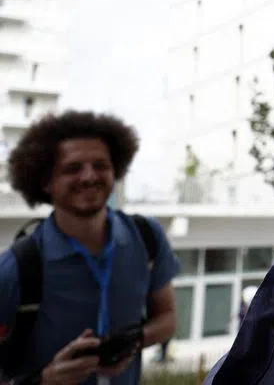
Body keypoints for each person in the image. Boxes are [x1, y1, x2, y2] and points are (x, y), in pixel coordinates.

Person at [0, 111, 181, 385]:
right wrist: (45, 379)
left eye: (100, 165)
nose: (89, 177)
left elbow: (167, 317)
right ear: (45, 181)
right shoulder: (17, 267)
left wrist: (132, 340)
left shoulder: (147, 238)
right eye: (73, 168)